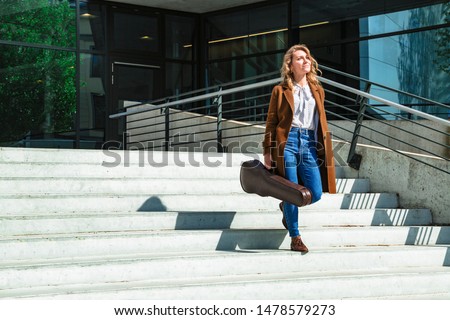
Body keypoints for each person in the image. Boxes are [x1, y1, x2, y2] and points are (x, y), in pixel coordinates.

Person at [262, 44, 336, 253]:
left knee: (316, 192)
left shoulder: (318, 91)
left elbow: (320, 121)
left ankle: (286, 207)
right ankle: (295, 237)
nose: (306, 61)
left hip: (310, 144)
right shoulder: (280, 90)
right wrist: (267, 151)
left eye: (307, 57)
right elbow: (271, 122)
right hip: (288, 141)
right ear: (290, 65)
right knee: (292, 190)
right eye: (300, 58)